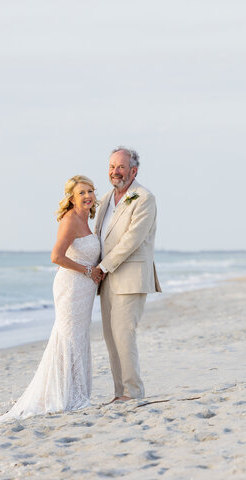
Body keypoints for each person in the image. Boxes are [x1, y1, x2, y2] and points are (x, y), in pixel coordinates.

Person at [0, 175, 103, 420]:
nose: (87, 196)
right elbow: (56, 256)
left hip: (84, 288)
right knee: (68, 337)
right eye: (81, 193)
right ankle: (64, 395)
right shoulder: (70, 219)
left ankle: (76, 392)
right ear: (71, 197)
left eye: (90, 191)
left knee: (78, 336)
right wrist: (88, 271)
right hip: (72, 286)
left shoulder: (88, 219)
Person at [92, 147, 161, 403]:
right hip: (107, 278)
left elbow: (132, 240)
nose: (115, 172)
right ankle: (119, 392)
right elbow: (99, 237)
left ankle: (133, 393)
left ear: (134, 170)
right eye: (111, 166)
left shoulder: (144, 198)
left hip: (129, 277)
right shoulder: (106, 199)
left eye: (120, 167)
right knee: (111, 338)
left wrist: (103, 266)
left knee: (124, 336)